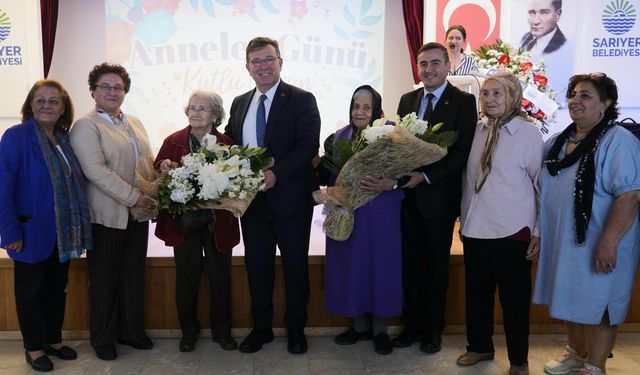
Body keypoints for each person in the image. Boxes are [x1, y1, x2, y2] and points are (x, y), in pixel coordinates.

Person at [534, 73, 640, 375]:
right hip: (565, 242)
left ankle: (595, 366)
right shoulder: (558, 141)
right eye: (573, 95)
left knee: (600, 303)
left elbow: (630, 196)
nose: (575, 101)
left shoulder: (619, 141)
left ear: (606, 104)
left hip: (602, 240)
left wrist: (609, 242)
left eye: (586, 96)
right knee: (571, 294)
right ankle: (576, 353)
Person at [224, 36, 321, 354]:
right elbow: (230, 145)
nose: (263, 66)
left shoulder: (302, 99)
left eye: (269, 59)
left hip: (291, 200)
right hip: (252, 203)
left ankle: (296, 330)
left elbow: (307, 146)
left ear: (280, 62)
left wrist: (275, 173)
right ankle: (261, 329)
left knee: (295, 267)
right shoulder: (239, 102)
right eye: (256, 61)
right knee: (257, 267)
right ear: (247, 67)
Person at [0, 80, 92, 372]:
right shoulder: (16, 137)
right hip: (28, 232)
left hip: (62, 233)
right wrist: (9, 230)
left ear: (63, 108)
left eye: (54, 101)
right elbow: (3, 186)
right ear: (30, 104)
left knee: (56, 288)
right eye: (40, 100)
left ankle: (53, 339)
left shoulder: (64, 138)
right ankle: (34, 347)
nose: (46, 106)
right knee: (29, 293)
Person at [457, 71, 543, 375]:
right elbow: (469, 182)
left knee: (514, 301)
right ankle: (479, 346)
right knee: (477, 294)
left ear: (513, 97)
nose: (490, 99)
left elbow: (539, 186)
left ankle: (519, 359)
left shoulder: (528, 134)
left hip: (513, 230)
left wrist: (537, 231)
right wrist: (465, 221)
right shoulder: (479, 129)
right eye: (486, 94)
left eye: (498, 94)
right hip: (477, 228)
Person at [393, 42, 477, 353]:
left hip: (439, 200)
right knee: (410, 264)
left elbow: (461, 152)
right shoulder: (408, 99)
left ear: (447, 66)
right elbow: (400, 145)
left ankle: (433, 329)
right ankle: (411, 326)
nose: (428, 69)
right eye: (423, 64)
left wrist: (426, 176)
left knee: (436, 267)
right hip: (408, 198)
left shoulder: (463, 101)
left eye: (435, 63)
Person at [70, 63, 155, 361]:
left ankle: (131, 331)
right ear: (93, 90)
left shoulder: (135, 122)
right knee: (105, 279)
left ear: (125, 91)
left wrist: (156, 189)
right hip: (106, 216)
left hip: (138, 213)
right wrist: (134, 197)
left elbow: (147, 162)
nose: (112, 91)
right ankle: (103, 338)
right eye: (105, 86)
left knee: (133, 276)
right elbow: (96, 171)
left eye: (118, 87)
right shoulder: (85, 125)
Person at [316, 85, 403, 355]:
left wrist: (391, 183)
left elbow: (406, 172)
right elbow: (327, 176)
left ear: (377, 110)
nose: (359, 111)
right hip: (347, 212)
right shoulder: (336, 138)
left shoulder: (392, 137)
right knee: (351, 267)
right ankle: (359, 325)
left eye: (366, 106)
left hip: (381, 214)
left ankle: (380, 330)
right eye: (355, 105)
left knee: (380, 268)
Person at [154, 91, 240, 353]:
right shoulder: (174, 140)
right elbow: (158, 166)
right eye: (192, 108)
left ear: (215, 114)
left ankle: (222, 331)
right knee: (186, 278)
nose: (195, 113)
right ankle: (188, 333)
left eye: (202, 109)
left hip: (218, 223)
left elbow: (237, 180)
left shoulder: (228, 143)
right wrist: (164, 166)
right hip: (185, 223)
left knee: (220, 278)